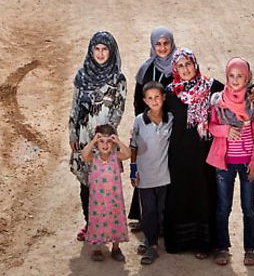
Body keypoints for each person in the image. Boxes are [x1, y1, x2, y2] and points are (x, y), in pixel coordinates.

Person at [163, 48, 224, 258]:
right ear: (175, 69)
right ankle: (180, 242)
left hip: (205, 155)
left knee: (204, 195)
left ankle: (204, 244)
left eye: (188, 64)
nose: (185, 69)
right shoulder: (170, 92)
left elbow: (235, 95)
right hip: (179, 155)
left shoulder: (212, 87)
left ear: (195, 64)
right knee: (180, 195)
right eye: (180, 66)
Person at [207, 57, 254, 267]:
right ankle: (223, 248)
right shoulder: (217, 100)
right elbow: (211, 126)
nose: (235, 80)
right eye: (231, 76)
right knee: (223, 207)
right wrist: (225, 130)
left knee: (249, 207)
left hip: (248, 163)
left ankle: (249, 250)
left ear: (247, 77)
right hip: (225, 163)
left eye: (239, 76)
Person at [69, 31, 127, 243]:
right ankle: (90, 224)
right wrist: (72, 132)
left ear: (111, 52)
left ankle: (109, 230)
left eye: (105, 50)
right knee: (86, 183)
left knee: (106, 185)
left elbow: (118, 110)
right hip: (84, 137)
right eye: (97, 49)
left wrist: (105, 136)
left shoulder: (117, 79)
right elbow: (75, 106)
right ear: (91, 50)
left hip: (105, 141)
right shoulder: (82, 76)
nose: (101, 54)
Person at [127, 27, 176, 228]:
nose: (162, 48)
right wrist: (141, 123)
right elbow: (138, 100)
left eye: (166, 43)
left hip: (172, 127)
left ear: (172, 44)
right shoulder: (146, 69)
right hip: (150, 125)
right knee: (146, 170)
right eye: (158, 44)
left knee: (168, 174)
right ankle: (145, 218)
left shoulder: (179, 66)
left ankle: (167, 221)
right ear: (152, 45)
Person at [130, 81, 173, 265]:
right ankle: (152, 245)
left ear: (163, 98)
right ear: (144, 101)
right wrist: (133, 170)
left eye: (157, 97)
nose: (154, 101)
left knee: (161, 209)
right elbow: (133, 146)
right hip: (145, 177)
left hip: (164, 176)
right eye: (150, 98)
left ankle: (153, 238)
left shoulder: (170, 119)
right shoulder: (139, 121)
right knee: (148, 211)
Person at [81, 123, 131, 261]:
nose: (105, 145)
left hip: (114, 199)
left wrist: (118, 141)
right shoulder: (94, 157)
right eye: (101, 141)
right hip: (98, 200)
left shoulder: (115, 156)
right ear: (97, 143)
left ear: (113, 142)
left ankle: (116, 247)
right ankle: (97, 247)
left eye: (109, 141)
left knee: (115, 220)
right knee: (98, 221)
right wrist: (93, 141)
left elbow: (128, 154)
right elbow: (84, 155)